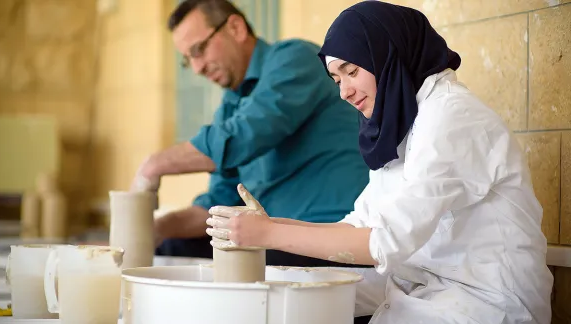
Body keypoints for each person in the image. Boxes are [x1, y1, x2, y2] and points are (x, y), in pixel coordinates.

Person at [206, 1, 554, 323]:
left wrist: (271, 234)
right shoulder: (400, 124)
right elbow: (361, 224)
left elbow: (385, 242)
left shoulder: (452, 117)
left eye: (352, 71)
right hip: (428, 291)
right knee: (281, 292)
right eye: (337, 79)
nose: (344, 91)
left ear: (388, 56)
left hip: (489, 304)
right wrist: (271, 227)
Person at [130, 0, 371, 268]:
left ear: (235, 28)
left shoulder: (294, 59)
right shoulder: (230, 108)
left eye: (199, 50)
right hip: (273, 239)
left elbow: (243, 138)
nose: (197, 68)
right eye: (188, 60)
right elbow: (217, 205)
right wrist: (159, 227)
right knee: (170, 248)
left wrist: (154, 166)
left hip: (330, 236)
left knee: (235, 270)